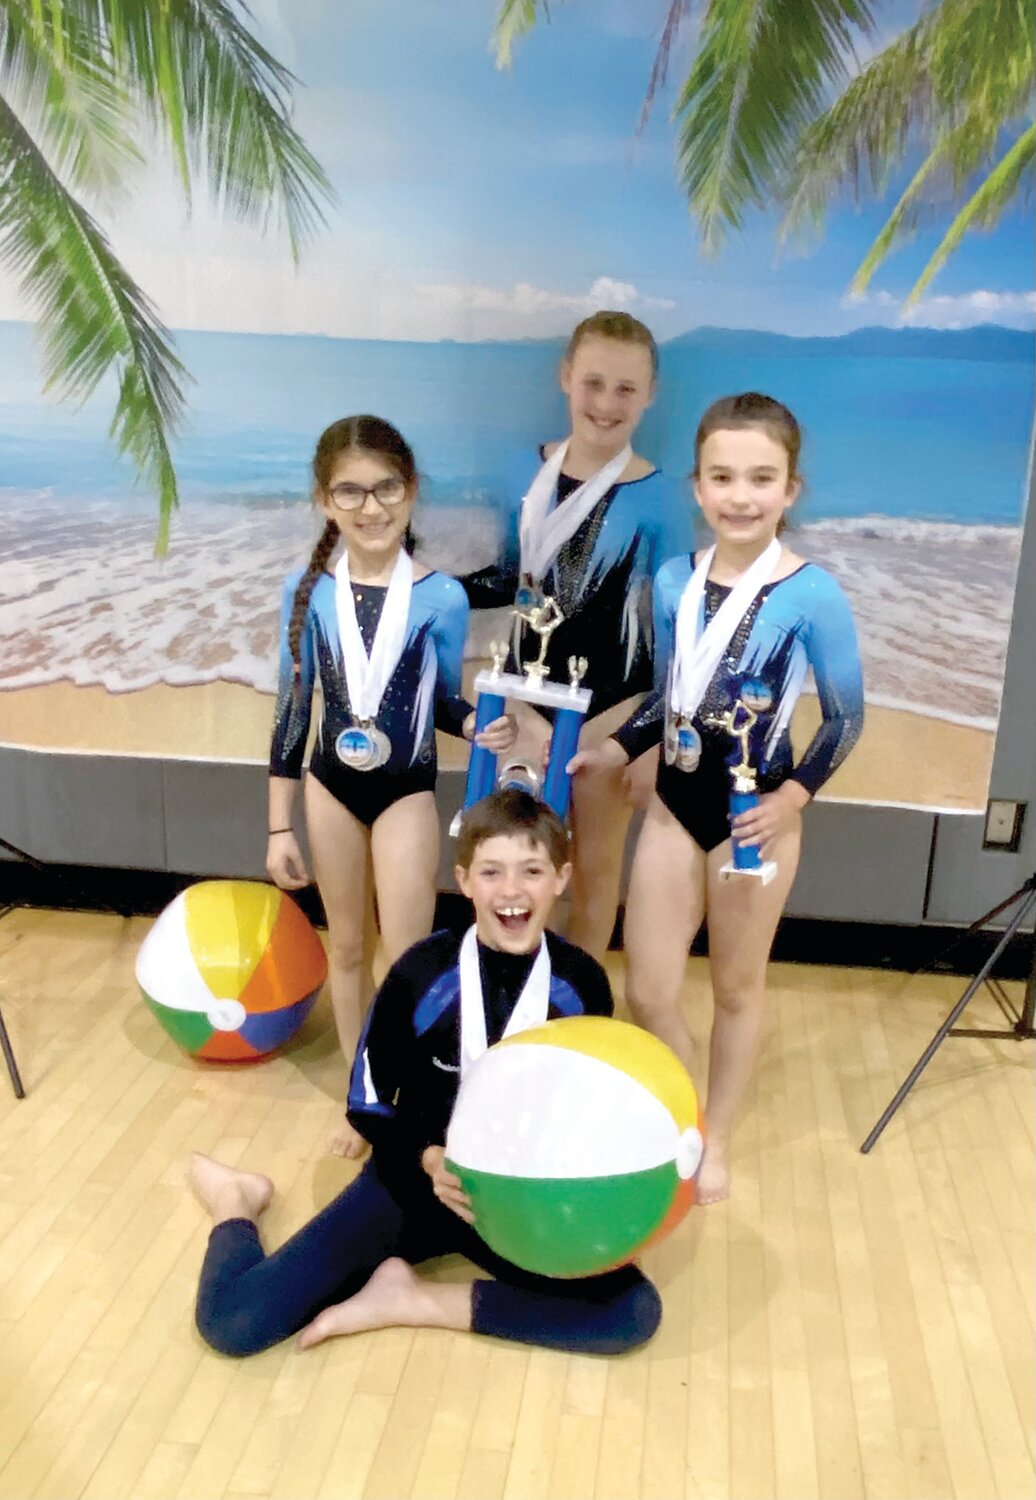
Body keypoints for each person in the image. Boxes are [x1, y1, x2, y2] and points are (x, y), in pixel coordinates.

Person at [191, 790, 662, 1358]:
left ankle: (415, 1301)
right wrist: (428, 1156)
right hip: (408, 1185)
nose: (511, 891)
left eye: (531, 871)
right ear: (464, 880)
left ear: (560, 878)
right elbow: (366, 1100)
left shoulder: (581, 984)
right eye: (492, 872)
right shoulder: (420, 973)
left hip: (511, 1205)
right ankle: (236, 1202)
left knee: (632, 1312)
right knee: (231, 1323)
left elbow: (583, 1105)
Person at [570, 393, 864, 1204]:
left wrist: (795, 799)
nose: (742, 495)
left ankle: (716, 1134)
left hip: (755, 823)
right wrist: (615, 748)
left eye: (761, 478)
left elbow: (846, 718)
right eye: (724, 477)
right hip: (672, 810)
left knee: (736, 986)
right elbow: (671, 698)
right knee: (650, 990)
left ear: (791, 489)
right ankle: (682, 1110)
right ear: (698, 488)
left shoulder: (812, 595)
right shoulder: (676, 582)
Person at [267, 415, 516, 1157]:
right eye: (351, 491)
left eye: (386, 489)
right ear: (324, 500)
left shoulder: (440, 597)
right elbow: (291, 710)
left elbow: (439, 699)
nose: (370, 508)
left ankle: (407, 1082)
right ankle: (363, 1091)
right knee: (346, 946)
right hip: (329, 786)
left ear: (410, 494)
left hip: (406, 786)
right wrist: (279, 824)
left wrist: (474, 724)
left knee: (405, 952)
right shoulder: (307, 592)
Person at [460, 311, 693, 961]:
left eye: (625, 389)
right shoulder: (519, 473)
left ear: (650, 395)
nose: (606, 403)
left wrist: (650, 741)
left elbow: (678, 633)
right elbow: (513, 580)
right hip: (521, 705)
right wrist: (427, 587)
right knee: (513, 871)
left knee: (592, 878)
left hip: (609, 716)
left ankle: (579, 1018)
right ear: (565, 379)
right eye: (593, 383)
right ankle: (511, 1002)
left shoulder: (661, 499)